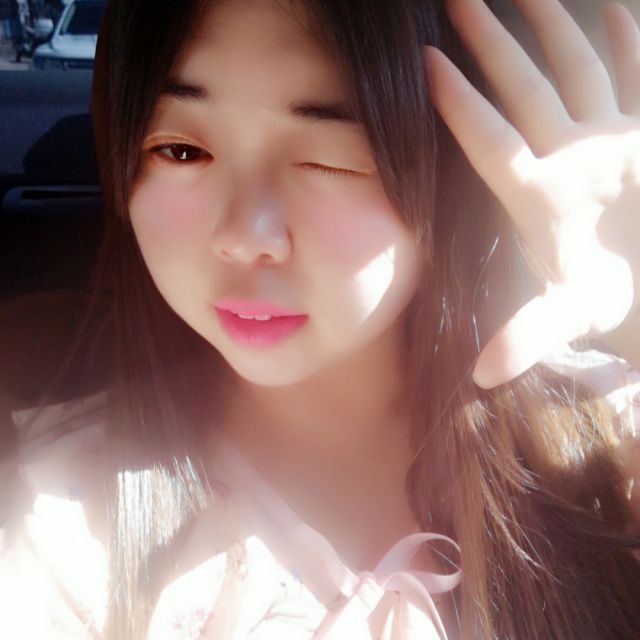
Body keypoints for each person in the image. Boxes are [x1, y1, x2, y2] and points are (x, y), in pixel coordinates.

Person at [1, 0, 639, 638]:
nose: (244, 236)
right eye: (182, 151)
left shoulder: (606, 432)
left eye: (332, 160)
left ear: (462, 167)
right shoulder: (64, 531)